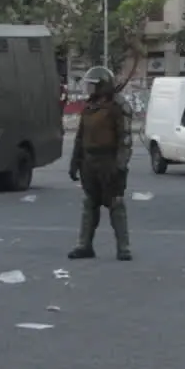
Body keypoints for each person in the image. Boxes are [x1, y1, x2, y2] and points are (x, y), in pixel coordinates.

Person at [67, 66, 133, 261]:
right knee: (89, 203)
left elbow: (125, 139)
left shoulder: (117, 107)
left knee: (116, 203)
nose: (89, 89)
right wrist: (74, 162)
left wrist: (120, 165)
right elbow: (80, 137)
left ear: (103, 86)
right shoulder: (89, 108)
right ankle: (84, 245)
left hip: (109, 160)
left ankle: (124, 247)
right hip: (89, 161)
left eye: (93, 86)